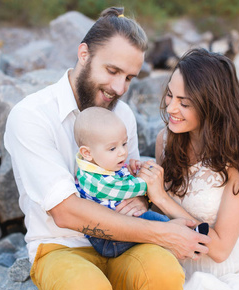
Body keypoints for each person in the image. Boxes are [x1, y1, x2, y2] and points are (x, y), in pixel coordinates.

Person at [4, 7, 211, 290]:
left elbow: (130, 178)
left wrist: (140, 198)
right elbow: (64, 212)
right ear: (84, 54)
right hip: (60, 246)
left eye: (129, 78)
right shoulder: (31, 115)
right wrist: (164, 234)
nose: (118, 88)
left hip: (124, 241)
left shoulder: (122, 113)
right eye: (112, 71)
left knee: (164, 272)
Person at [137, 48, 239, 290]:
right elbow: (162, 211)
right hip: (182, 262)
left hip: (238, 270)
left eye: (184, 103)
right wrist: (142, 191)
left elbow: (219, 249)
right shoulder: (166, 140)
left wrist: (161, 197)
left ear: (211, 106)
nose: (172, 108)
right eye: (170, 96)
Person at [74, 107, 205, 258]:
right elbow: (123, 189)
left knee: (151, 220)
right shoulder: (93, 180)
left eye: (124, 144)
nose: (122, 152)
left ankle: (185, 235)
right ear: (87, 153)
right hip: (107, 240)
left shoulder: (101, 164)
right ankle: (186, 236)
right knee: (156, 221)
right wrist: (146, 183)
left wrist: (133, 171)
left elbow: (121, 176)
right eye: (112, 148)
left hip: (122, 228)